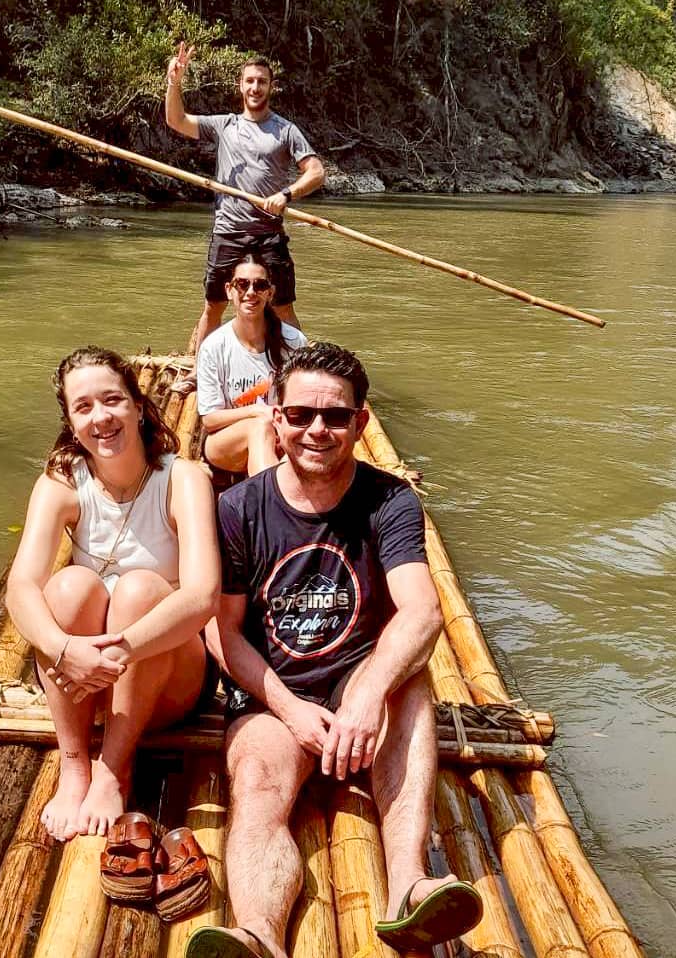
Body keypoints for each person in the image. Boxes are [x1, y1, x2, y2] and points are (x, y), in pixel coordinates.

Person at [191, 343, 483, 958]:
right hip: (276, 693)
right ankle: (260, 934)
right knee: (259, 786)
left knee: (411, 682)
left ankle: (407, 885)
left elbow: (424, 609)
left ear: (361, 422)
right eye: (299, 415)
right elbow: (223, 630)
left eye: (335, 417)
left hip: (363, 690)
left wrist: (367, 694)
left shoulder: (390, 501)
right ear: (275, 417)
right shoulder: (238, 509)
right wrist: (292, 711)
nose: (316, 430)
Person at [5, 346, 219, 842]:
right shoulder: (62, 482)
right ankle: (76, 761)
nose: (101, 417)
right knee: (70, 586)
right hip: (85, 679)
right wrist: (66, 650)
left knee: (142, 589)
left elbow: (203, 595)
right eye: (84, 407)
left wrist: (119, 651)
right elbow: (20, 587)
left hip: (167, 680)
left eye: (112, 401)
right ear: (71, 421)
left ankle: (113, 768)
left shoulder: (181, 479)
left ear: (138, 407)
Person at [165, 43, 325, 366]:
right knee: (213, 306)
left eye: (261, 82)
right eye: (249, 81)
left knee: (282, 307)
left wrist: (286, 195)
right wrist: (174, 82)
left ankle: (300, 371)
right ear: (240, 85)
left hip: (269, 233)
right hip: (228, 232)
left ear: (271, 87)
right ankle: (200, 370)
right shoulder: (224, 126)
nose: (255, 87)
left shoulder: (286, 131)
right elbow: (177, 121)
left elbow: (316, 171)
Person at [196, 253, 307, 476]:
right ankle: (273, 498)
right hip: (226, 442)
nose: (250, 292)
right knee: (259, 426)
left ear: (270, 292)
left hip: (282, 438)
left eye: (259, 285)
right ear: (229, 290)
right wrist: (258, 412)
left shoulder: (294, 341)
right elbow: (209, 420)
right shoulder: (214, 346)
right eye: (242, 284)